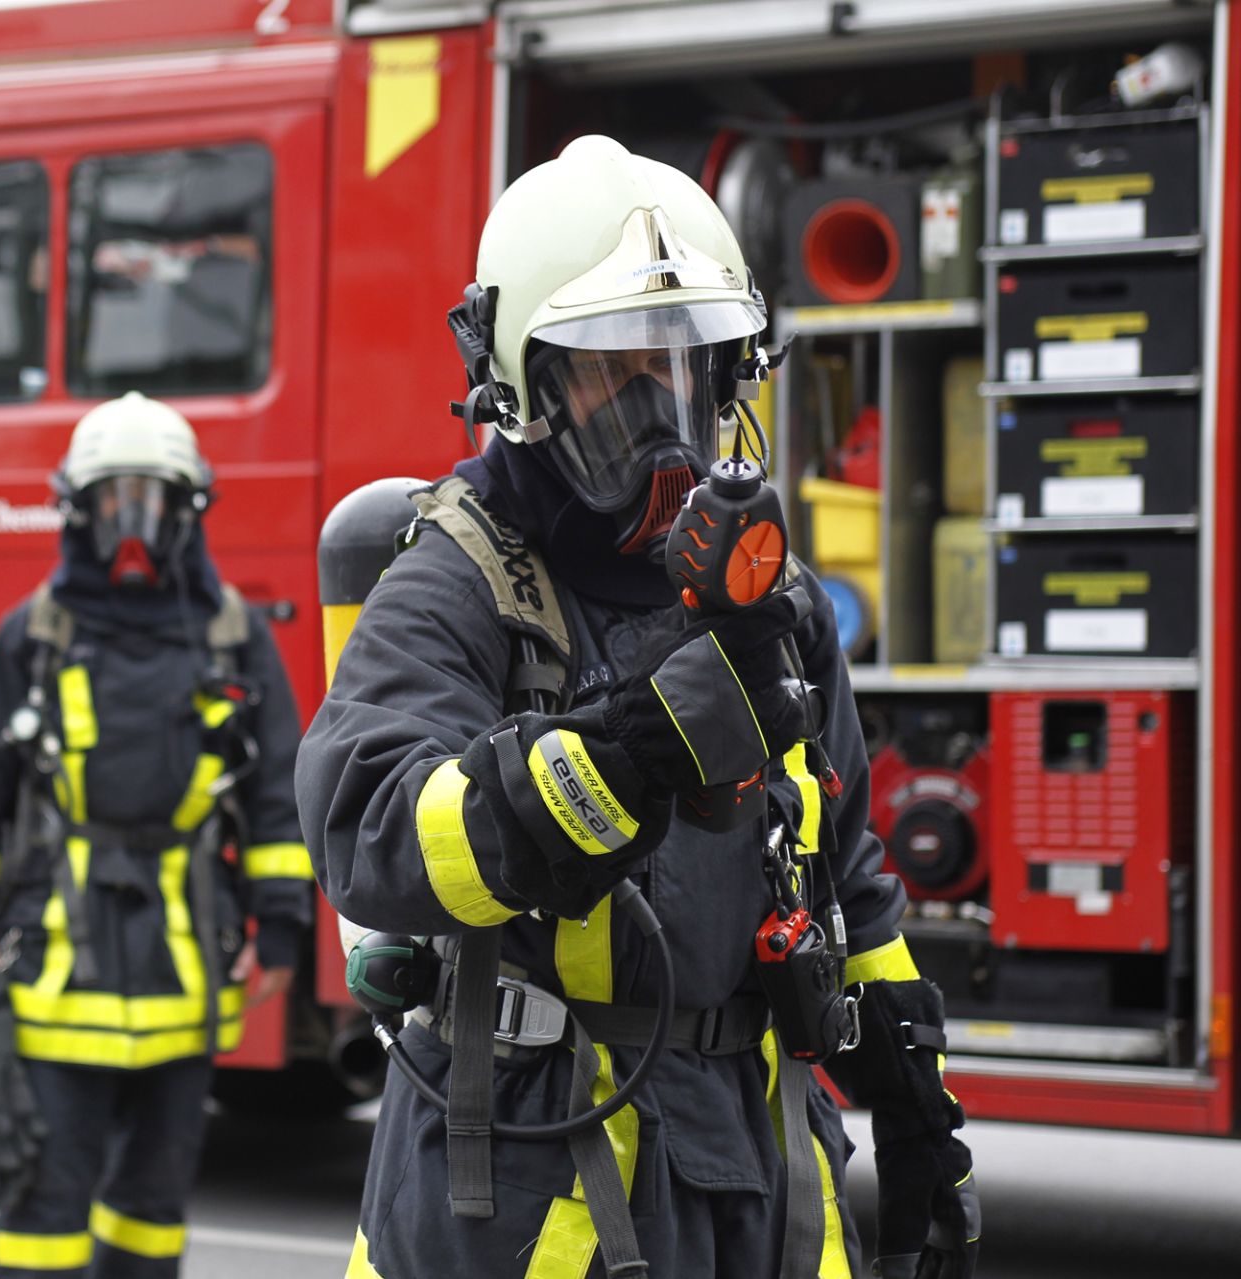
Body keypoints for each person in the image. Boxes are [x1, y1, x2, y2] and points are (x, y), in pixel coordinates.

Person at [297, 136, 978, 1279]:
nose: (659, 411)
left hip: (761, 1166)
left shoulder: (774, 604)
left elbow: (845, 871)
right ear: (523, 386)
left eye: (684, 365)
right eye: (612, 370)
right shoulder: (463, 579)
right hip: (533, 1169)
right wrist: (617, 758)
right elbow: (370, 825)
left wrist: (918, 1112)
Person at [0, 392, 314, 1278]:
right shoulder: (33, 633)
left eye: (152, 497)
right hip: (58, 969)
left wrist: (282, 927)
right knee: (43, 1203)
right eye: (112, 498)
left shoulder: (230, 635)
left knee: (153, 1206)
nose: (131, 520)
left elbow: (273, 800)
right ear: (79, 509)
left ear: (187, 512)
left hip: (182, 968)